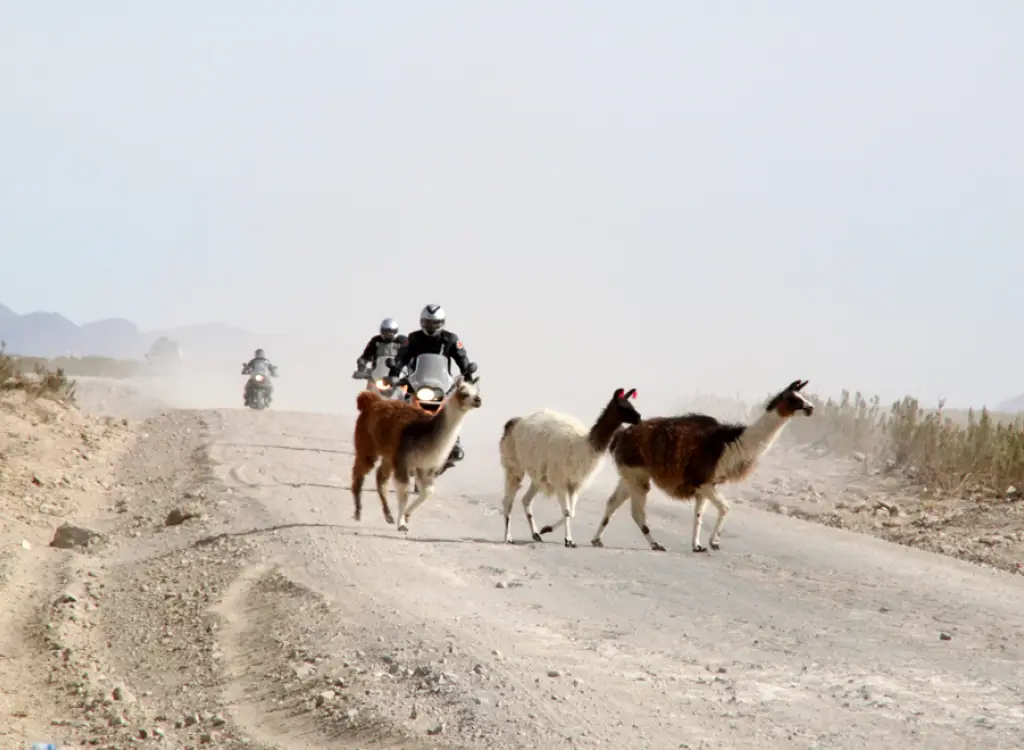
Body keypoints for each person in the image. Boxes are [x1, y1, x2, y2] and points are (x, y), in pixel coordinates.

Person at [388, 304, 479, 464]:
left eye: (434, 323)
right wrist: (394, 371)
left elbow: (462, 357)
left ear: (442, 323)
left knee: (454, 408)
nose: (431, 326)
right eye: (428, 323)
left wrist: (468, 372)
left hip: (443, 384)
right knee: (401, 400)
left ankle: (455, 442)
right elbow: (402, 356)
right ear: (422, 322)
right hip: (418, 381)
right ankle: (395, 437)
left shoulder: (451, 339)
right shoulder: (414, 338)